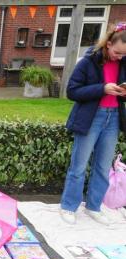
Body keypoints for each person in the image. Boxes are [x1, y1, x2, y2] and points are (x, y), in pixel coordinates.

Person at [60, 22, 126, 225]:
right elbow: (72, 91)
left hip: (113, 117)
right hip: (91, 118)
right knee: (78, 166)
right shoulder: (89, 61)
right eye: (117, 52)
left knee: (103, 166)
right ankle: (69, 207)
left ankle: (93, 207)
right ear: (108, 44)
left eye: (123, 55)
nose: (119, 57)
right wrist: (102, 89)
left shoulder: (125, 63)